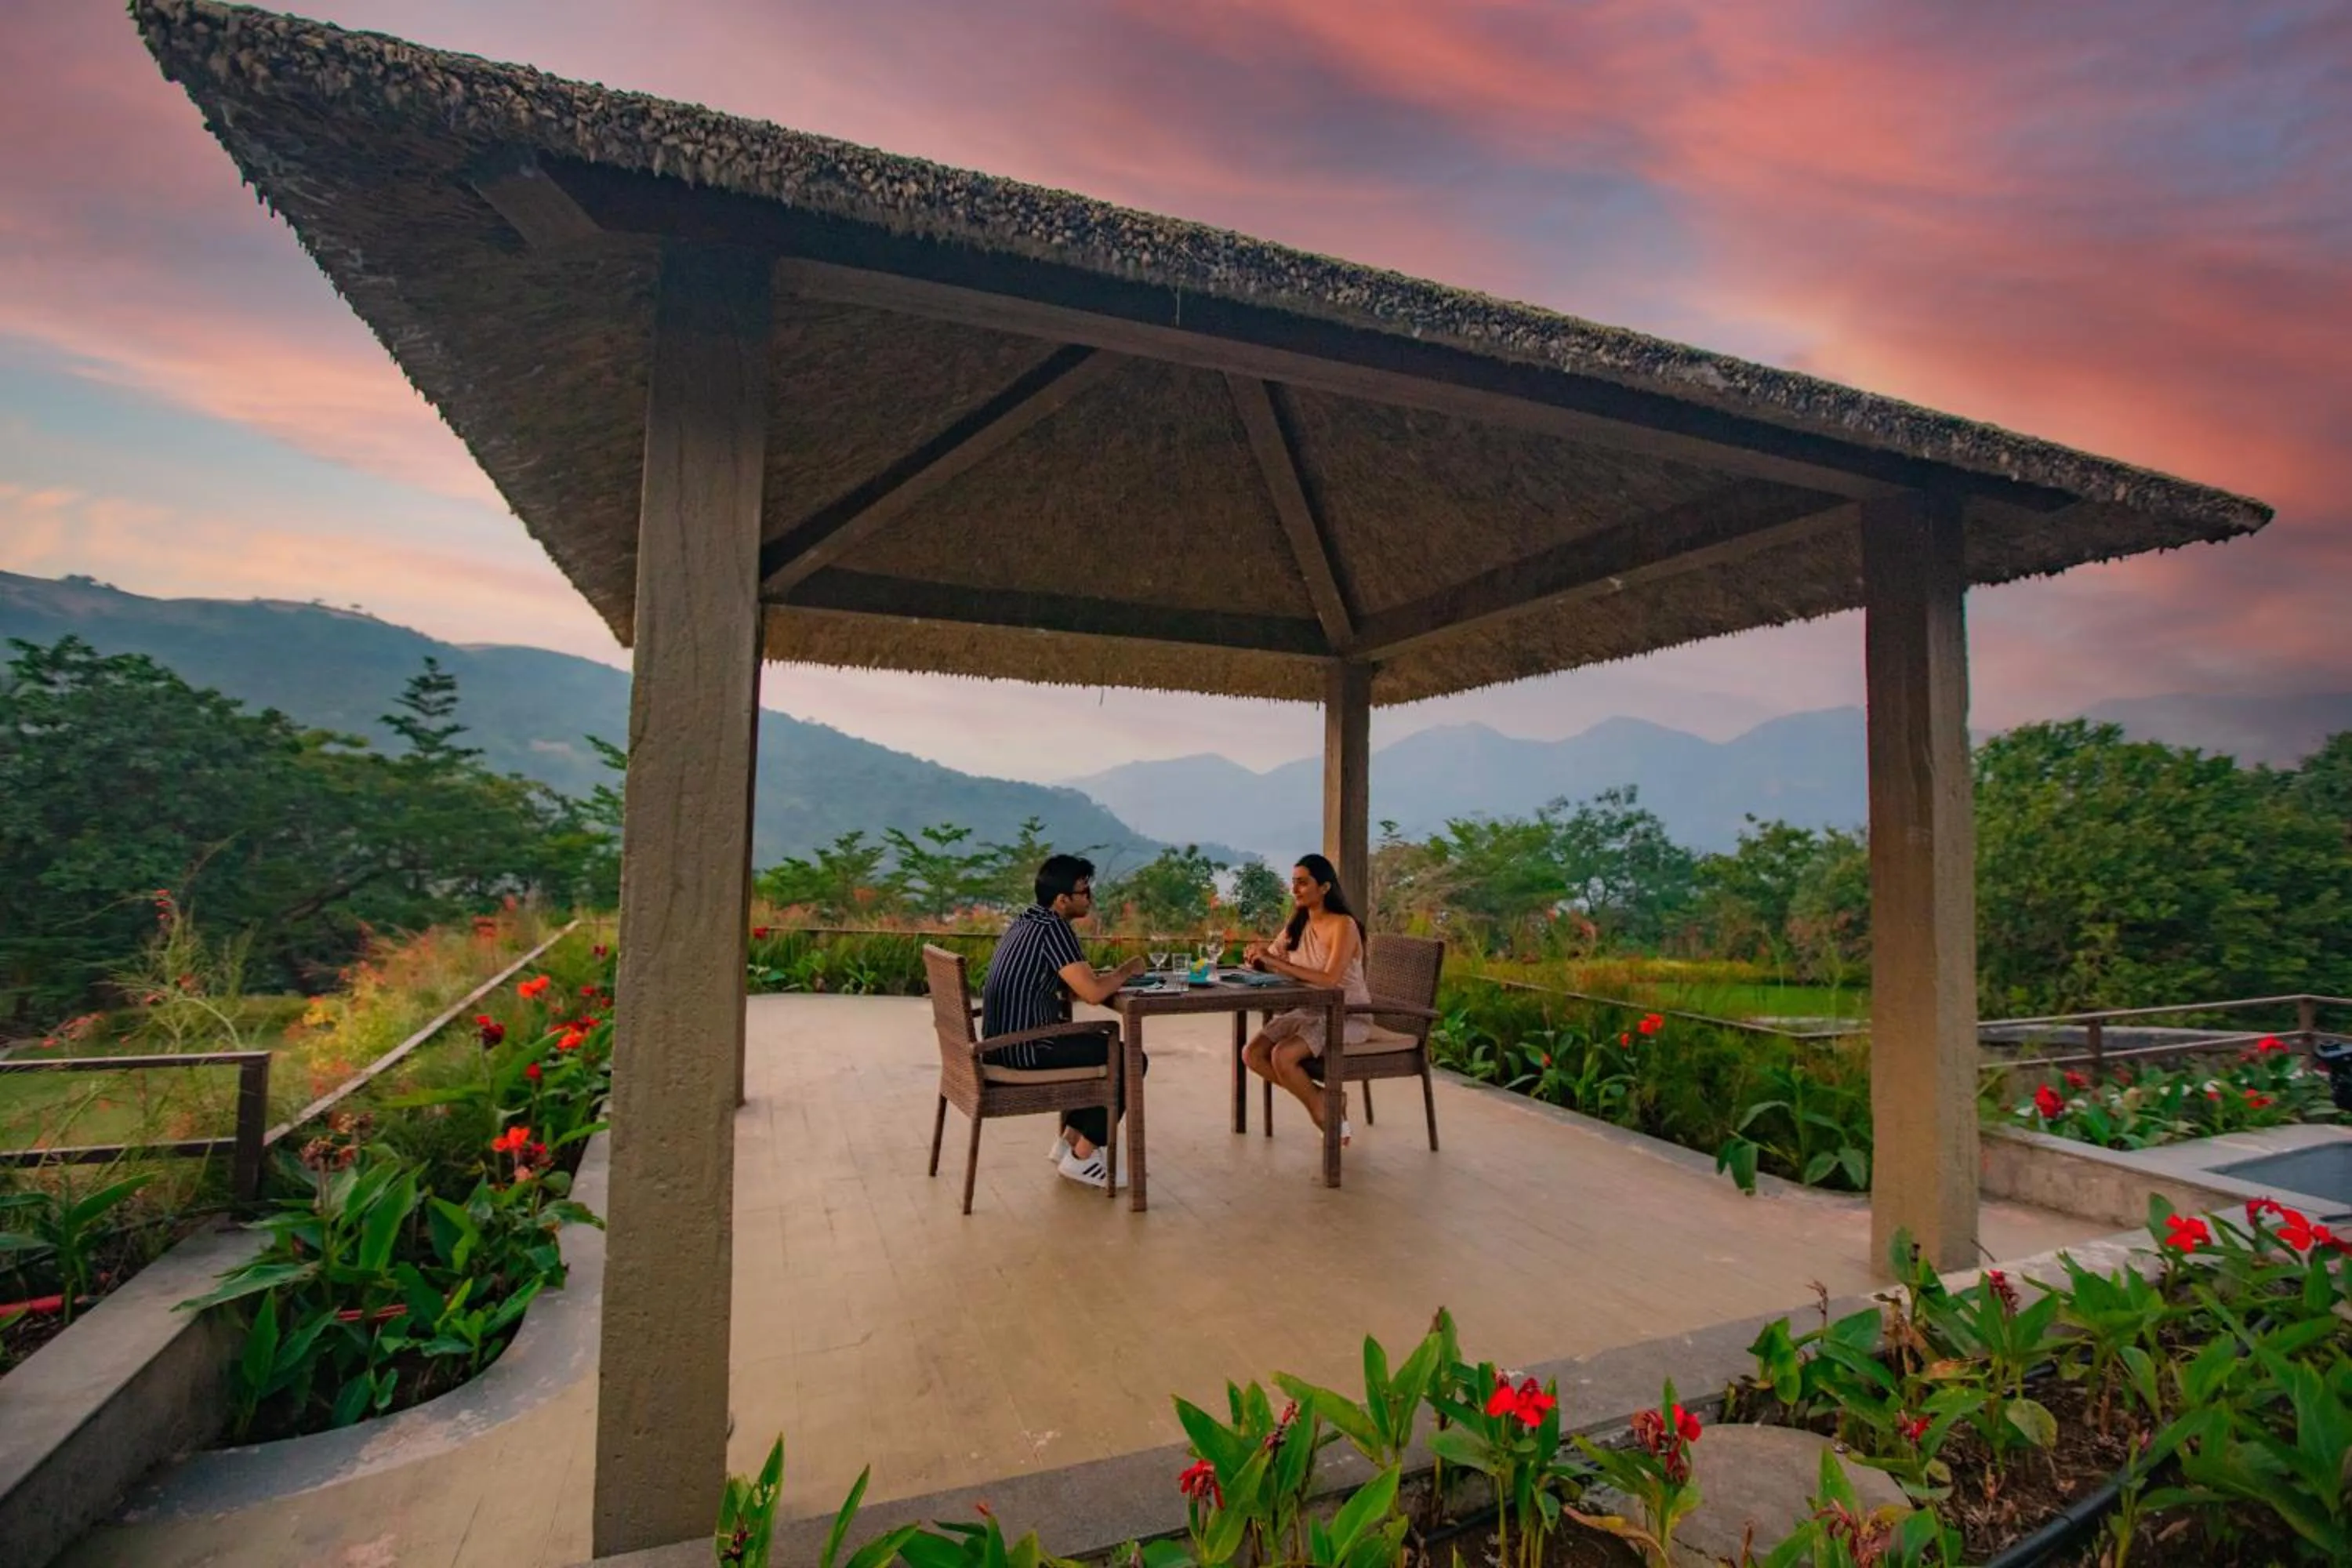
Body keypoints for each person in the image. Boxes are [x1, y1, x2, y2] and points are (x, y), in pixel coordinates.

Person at [980, 854, 1149, 1189]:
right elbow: (1093, 993)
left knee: (1103, 1050)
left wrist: (1098, 980)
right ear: (1062, 900)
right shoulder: (1055, 929)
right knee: (1130, 1059)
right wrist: (1128, 970)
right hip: (1026, 1049)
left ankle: (1070, 1140)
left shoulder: (1028, 921)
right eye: (1085, 892)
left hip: (1002, 1043)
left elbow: (1066, 982)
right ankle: (1084, 1157)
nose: (1091, 898)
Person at [1240, 853, 1372, 1144]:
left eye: (1302, 883)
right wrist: (1257, 959)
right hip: (1309, 1011)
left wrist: (1274, 962)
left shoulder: (1343, 925)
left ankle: (1320, 1110)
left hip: (1347, 1015)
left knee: (1282, 1056)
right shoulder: (1298, 924)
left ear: (1324, 887)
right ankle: (1324, 1097)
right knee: (1252, 1054)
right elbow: (1274, 958)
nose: (1295, 889)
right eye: (1293, 883)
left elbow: (1329, 980)